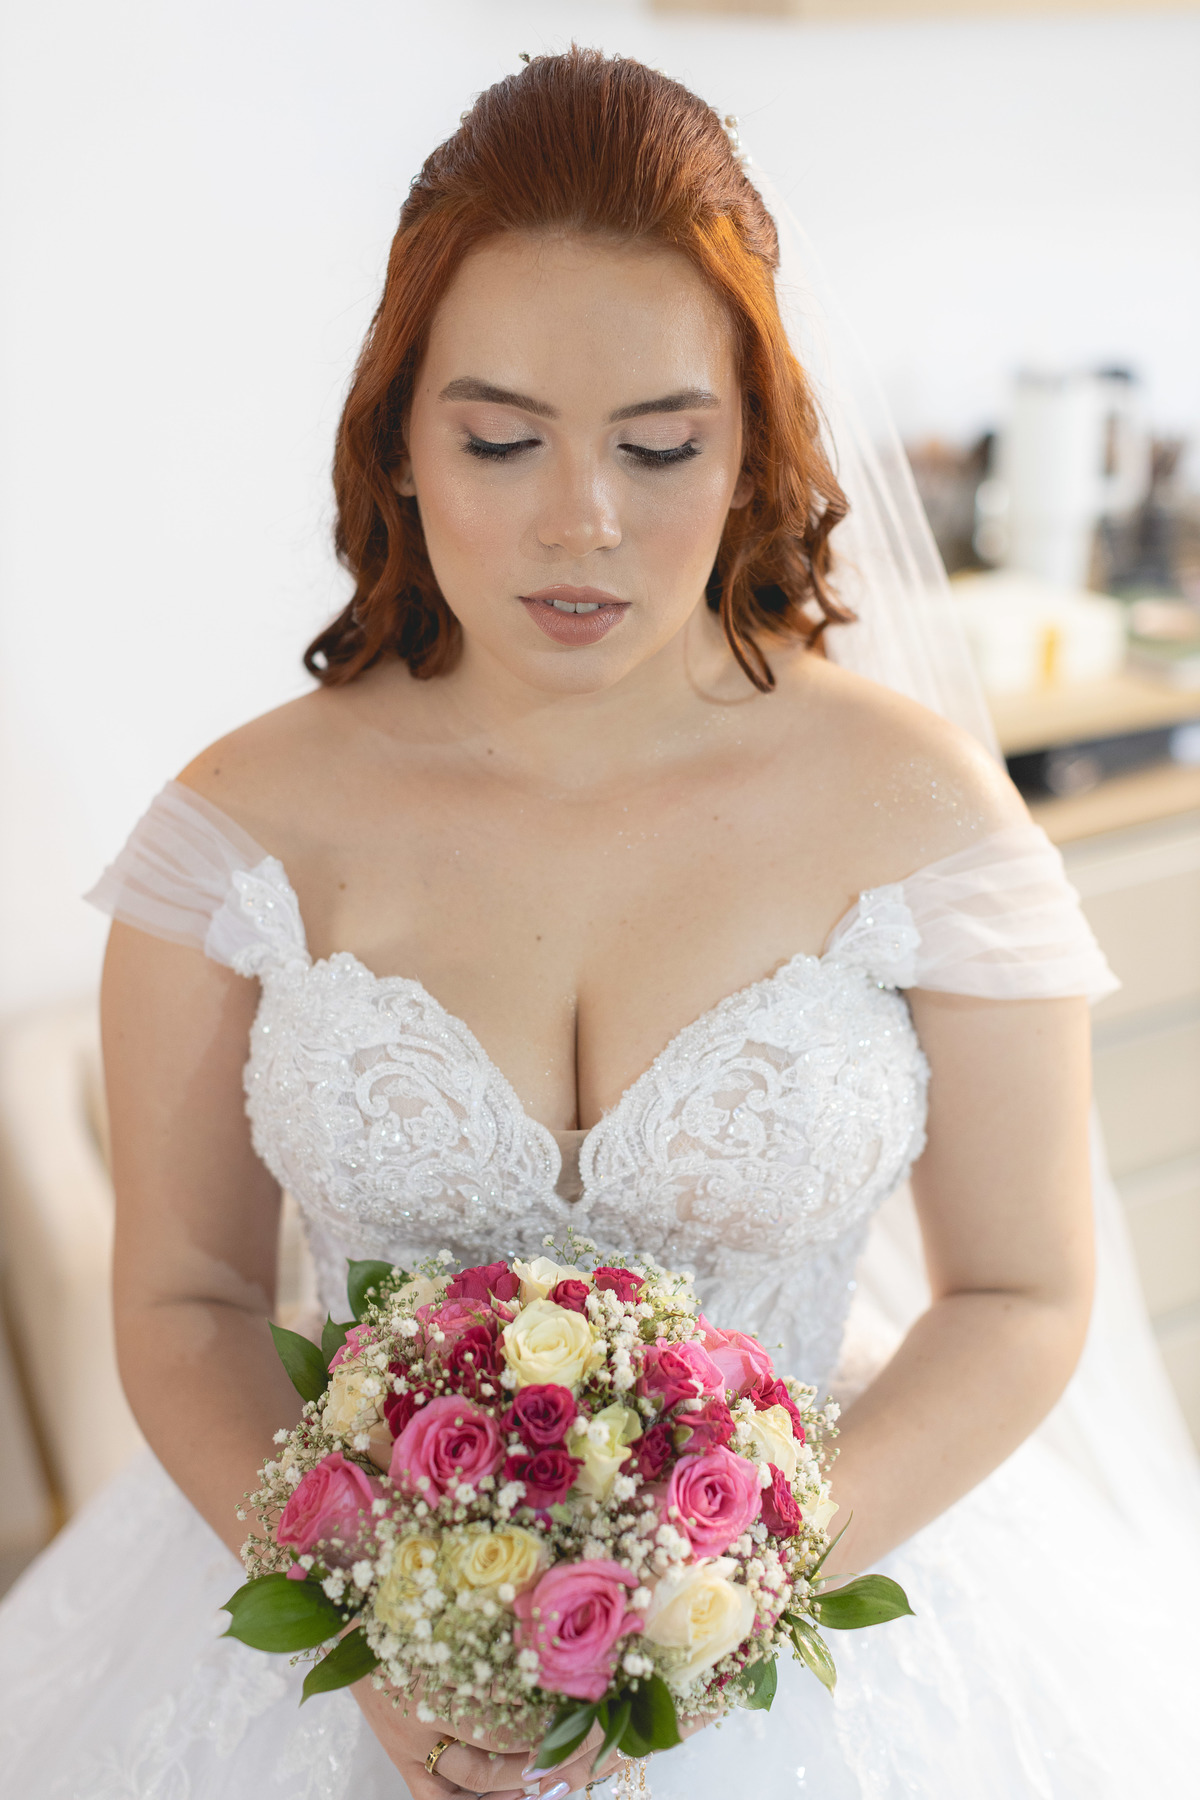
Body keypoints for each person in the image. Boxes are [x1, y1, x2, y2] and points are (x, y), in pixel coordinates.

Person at [0, 48, 1196, 1800]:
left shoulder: (925, 814)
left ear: (752, 444)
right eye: (501, 440)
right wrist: (376, 1629)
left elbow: (1022, 1291)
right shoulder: (234, 834)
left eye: (660, 444)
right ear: (398, 439)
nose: (584, 521)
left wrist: (734, 1592)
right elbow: (187, 1298)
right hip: (345, 1636)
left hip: (835, 1609)